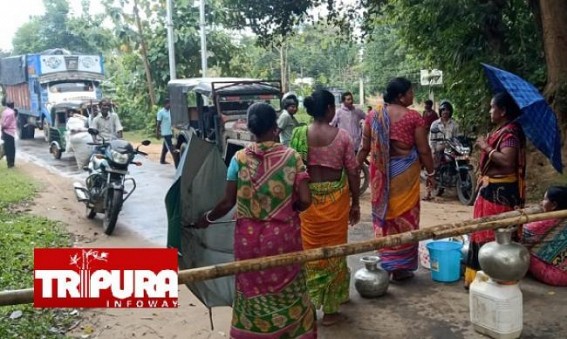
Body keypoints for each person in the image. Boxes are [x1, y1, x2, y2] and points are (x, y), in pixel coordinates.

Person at [197, 103, 316, 339]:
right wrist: (293, 208)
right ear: (275, 127)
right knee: (289, 286)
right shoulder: (292, 158)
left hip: (248, 241)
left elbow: (226, 203)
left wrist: (207, 218)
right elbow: (306, 199)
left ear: (251, 130)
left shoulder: (238, 159)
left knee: (252, 285)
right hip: (284, 238)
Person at [290, 89, 360, 326]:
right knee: (335, 251)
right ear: (330, 109)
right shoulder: (343, 138)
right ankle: (330, 309)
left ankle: (309, 304)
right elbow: (352, 171)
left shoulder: (299, 134)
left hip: (307, 202)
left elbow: (292, 172)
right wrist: (356, 202)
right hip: (336, 203)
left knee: (310, 253)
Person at [356, 77, 435, 281]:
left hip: (381, 175)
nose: (412, 96)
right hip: (405, 176)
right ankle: (401, 267)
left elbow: (364, 148)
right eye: (410, 92)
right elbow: (424, 150)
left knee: (387, 217)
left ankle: (387, 262)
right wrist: (432, 173)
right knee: (406, 218)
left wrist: (354, 169)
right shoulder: (414, 118)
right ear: (400, 97)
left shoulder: (373, 116)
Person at [464, 92, 526, 288]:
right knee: (480, 232)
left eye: (493, 107)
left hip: (499, 193)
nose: (490, 111)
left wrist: (485, 147)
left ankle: (495, 275)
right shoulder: (501, 131)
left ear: (503, 110)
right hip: (489, 189)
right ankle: (478, 276)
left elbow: (507, 161)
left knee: (493, 233)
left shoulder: (510, 133)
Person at [522, 186, 567, 286]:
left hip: (558, 276)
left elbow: (521, 236)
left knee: (522, 251)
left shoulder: (547, 222)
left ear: (554, 205)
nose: (542, 202)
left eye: (545, 199)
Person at [429, 101, 460, 166]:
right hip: (438, 149)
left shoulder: (454, 124)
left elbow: (457, 138)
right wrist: (433, 151)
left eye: (447, 110)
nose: (445, 112)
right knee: (434, 167)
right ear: (440, 111)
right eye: (443, 110)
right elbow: (431, 140)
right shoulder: (435, 124)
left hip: (450, 149)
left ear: (450, 112)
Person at [156, 99, 178, 166]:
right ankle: (177, 163)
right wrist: (157, 132)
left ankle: (162, 160)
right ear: (165, 104)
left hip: (171, 132)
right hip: (166, 133)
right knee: (171, 148)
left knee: (165, 147)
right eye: (169, 103)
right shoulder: (161, 112)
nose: (170, 105)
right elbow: (158, 123)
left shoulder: (170, 112)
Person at [1, 99, 17, 168]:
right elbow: (6, 124)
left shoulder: (4, 112)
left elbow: (2, 122)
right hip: (10, 132)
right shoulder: (11, 113)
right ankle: (11, 164)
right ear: (12, 105)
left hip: (4, 132)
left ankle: (9, 163)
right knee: (11, 149)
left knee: (7, 148)